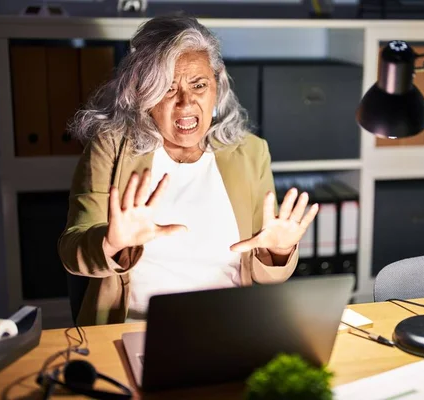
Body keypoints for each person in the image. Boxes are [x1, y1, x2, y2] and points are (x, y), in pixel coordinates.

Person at [58, 15, 319, 326]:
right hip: (137, 328)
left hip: (231, 326)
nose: (185, 103)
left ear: (217, 89)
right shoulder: (112, 148)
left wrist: (279, 250)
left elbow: (268, 275)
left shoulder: (250, 152)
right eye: (168, 89)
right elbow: (71, 251)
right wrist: (111, 244)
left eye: (199, 85)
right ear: (143, 94)